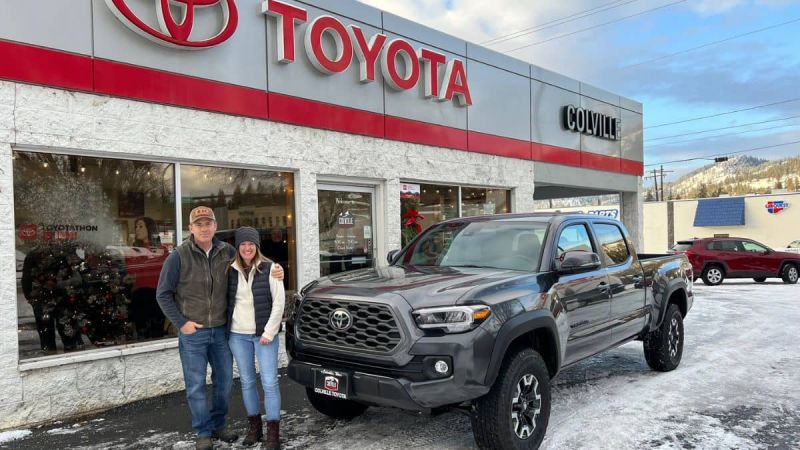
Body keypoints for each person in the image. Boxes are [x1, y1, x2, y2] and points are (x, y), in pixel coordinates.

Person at [156, 206, 283, 450]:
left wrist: (276, 269)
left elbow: (252, 261)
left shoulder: (228, 252)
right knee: (196, 385)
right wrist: (181, 323)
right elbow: (163, 294)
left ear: (215, 226)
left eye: (208, 223)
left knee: (224, 382)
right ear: (190, 228)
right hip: (194, 333)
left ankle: (219, 425)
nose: (204, 228)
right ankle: (203, 431)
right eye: (198, 224)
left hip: (223, 330)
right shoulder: (178, 256)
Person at [227, 227, 285, 448]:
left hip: (264, 336)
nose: (247, 248)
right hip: (238, 335)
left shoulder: (271, 269)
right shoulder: (230, 270)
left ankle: (273, 433)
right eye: (243, 244)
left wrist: (269, 332)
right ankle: (254, 428)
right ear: (238, 247)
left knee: (269, 383)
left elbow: (279, 303)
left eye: (251, 244)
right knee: (247, 382)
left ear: (257, 246)